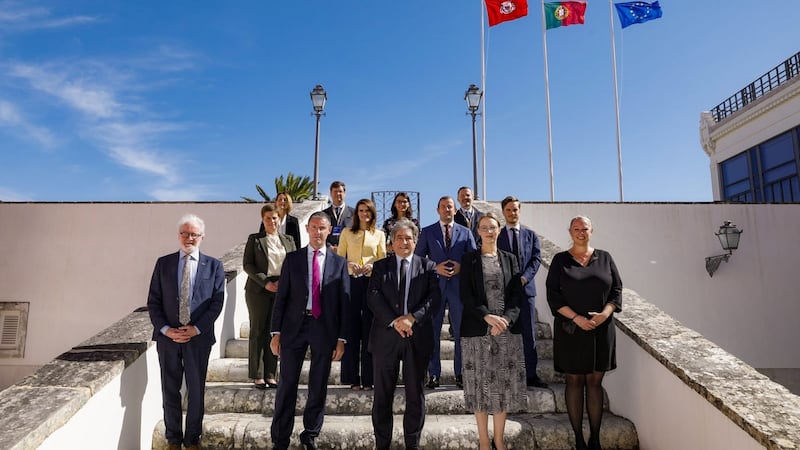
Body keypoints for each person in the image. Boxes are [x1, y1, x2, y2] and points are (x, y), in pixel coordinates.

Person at [270, 211, 350, 450]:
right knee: (287, 384)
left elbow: (344, 303)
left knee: (318, 384)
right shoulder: (292, 259)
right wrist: (276, 333)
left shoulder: (339, 263)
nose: (317, 232)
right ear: (307, 229)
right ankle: (280, 438)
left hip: (323, 328)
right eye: (313, 227)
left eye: (322, 228)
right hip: (294, 327)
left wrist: (341, 338)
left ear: (329, 231)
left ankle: (310, 435)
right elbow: (281, 298)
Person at [147, 214, 225, 450]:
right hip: (168, 339)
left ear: (202, 237)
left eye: (194, 234)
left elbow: (216, 302)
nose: (189, 238)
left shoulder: (214, 265)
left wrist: (196, 329)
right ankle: (173, 439)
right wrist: (167, 330)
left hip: (198, 340)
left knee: (196, 390)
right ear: (178, 235)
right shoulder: (164, 263)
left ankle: (192, 439)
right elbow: (153, 301)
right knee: (169, 389)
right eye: (184, 233)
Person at [546, 216, 622, 450]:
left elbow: (617, 290)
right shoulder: (560, 260)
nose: (581, 232)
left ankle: (595, 439)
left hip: (601, 329)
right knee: (575, 381)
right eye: (576, 229)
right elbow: (553, 295)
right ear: (570, 231)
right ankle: (579, 438)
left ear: (592, 230)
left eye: (585, 228)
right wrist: (577, 318)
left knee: (595, 383)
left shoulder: (605, 257)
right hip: (571, 330)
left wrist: (605, 314)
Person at [367, 219, 441, 450]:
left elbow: (434, 298)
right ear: (391, 242)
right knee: (382, 396)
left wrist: (412, 318)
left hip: (416, 338)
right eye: (399, 237)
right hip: (385, 338)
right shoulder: (380, 267)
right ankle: (382, 444)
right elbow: (373, 296)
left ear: (416, 241)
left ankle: (412, 444)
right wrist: (395, 321)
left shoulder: (428, 266)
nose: (404, 242)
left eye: (408, 238)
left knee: (415, 395)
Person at [460, 213, 527, 450]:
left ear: (499, 230)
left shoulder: (511, 259)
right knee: (479, 386)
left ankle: (498, 439)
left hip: (506, 332)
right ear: (477, 231)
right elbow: (465, 295)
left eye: (493, 227)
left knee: (503, 387)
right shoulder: (468, 260)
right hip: (478, 329)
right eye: (484, 227)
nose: (489, 231)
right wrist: (487, 317)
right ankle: (484, 441)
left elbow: (517, 296)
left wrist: (506, 320)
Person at [415, 196, 476, 389]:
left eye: (450, 207)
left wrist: (461, 267)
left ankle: (460, 374)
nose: (447, 210)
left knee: (460, 333)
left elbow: (474, 259)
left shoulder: (466, 233)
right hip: (435, 289)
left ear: (455, 209)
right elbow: (418, 259)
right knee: (433, 332)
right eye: (443, 207)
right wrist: (435, 267)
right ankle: (433, 374)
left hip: (458, 289)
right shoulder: (427, 232)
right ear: (437, 210)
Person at [243, 203, 296, 390]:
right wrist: (266, 282)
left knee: (275, 331)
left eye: (275, 218)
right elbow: (248, 265)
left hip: (282, 289)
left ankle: (271, 374)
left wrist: (285, 283)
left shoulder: (288, 240)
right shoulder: (255, 239)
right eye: (268, 218)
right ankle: (257, 374)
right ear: (262, 220)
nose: (272, 221)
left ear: (279, 219)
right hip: (258, 289)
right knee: (258, 330)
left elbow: (294, 264)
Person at [497, 196, 548, 388]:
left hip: (526, 292)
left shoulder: (531, 235)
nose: (512, 213)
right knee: (505, 335)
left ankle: (530, 375)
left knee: (528, 334)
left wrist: (525, 277)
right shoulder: (497, 235)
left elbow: (536, 260)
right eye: (508, 210)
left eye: (515, 210)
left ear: (520, 211)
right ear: (503, 212)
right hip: (504, 293)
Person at [337, 198, 386, 390]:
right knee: (351, 330)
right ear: (356, 213)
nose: (364, 214)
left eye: (367, 211)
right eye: (361, 210)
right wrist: (349, 265)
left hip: (371, 284)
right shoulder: (347, 233)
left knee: (369, 331)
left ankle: (369, 378)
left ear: (372, 213)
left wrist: (372, 266)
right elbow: (339, 258)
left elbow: (383, 261)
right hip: (351, 283)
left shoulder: (380, 235)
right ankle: (352, 378)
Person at [322, 180, 355, 252]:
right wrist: (329, 246)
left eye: (340, 191)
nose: (338, 194)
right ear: (330, 193)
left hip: (348, 253)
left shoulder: (354, 213)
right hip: (329, 252)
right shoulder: (323, 214)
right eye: (335, 191)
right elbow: (321, 233)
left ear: (344, 193)